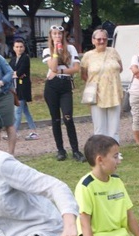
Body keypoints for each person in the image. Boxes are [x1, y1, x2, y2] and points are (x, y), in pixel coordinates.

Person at [42, 25, 84, 162]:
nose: (57, 37)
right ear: (51, 36)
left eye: (59, 34)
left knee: (68, 117)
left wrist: (60, 72)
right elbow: (52, 67)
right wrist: (55, 50)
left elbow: (76, 68)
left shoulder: (71, 49)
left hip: (65, 84)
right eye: (54, 34)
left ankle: (75, 150)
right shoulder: (47, 50)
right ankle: (60, 150)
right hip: (52, 86)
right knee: (55, 119)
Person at [81, 29, 124, 142]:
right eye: (99, 39)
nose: (102, 41)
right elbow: (84, 75)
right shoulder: (87, 56)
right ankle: (100, 151)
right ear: (93, 40)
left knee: (114, 128)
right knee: (99, 128)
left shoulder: (113, 52)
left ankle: (114, 151)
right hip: (97, 94)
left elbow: (120, 68)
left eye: (104, 39)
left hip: (113, 92)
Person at [9, 39, 39, 140]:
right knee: (25, 111)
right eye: (17, 47)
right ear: (13, 48)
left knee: (17, 111)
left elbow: (19, 72)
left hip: (23, 88)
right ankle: (34, 131)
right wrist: (15, 74)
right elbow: (9, 72)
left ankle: (13, 132)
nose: (19, 49)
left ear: (24, 48)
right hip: (16, 87)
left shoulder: (25, 58)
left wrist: (15, 74)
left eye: (21, 47)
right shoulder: (13, 59)